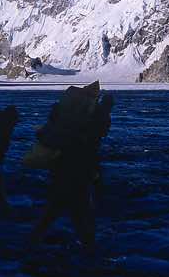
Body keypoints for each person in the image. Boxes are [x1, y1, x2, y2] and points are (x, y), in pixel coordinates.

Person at [29, 88, 114, 250]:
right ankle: (88, 247)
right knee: (76, 210)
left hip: (64, 173)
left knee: (58, 209)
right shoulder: (90, 129)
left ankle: (34, 240)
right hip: (75, 176)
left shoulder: (80, 125)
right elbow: (88, 153)